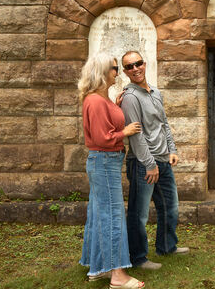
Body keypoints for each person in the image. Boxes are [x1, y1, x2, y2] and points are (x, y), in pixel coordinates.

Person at [77, 52, 145, 289]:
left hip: (106, 162)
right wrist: (124, 133)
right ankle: (117, 275)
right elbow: (102, 137)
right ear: (102, 72)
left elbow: (106, 123)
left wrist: (115, 108)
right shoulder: (95, 100)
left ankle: (97, 267)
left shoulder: (102, 98)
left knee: (98, 213)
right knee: (113, 216)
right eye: (115, 68)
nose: (118, 72)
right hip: (105, 161)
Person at [119, 50, 189, 271]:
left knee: (170, 206)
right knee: (139, 214)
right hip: (142, 164)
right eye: (129, 66)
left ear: (144, 64)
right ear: (125, 72)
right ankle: (138, 258)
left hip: (163, 161)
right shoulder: (130, 98)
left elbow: (164, 124)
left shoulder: (155, 93)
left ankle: (167, 246)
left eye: (138, 63)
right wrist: (150, 164)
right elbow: (136, 135)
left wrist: (171, 149)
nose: (135, 69)